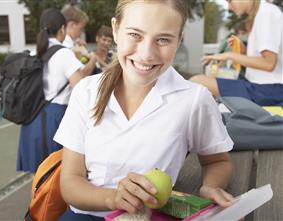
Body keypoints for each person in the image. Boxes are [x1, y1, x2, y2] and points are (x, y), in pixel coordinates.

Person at [54, 0, 234, 220]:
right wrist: (113, 198)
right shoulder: (86, 92)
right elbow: (70, 184)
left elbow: (218, 160)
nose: (147, 54)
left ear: (179, 40)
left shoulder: (194, 99)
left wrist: (210, 186)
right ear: (115, 29)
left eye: (163, 39)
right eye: (135, 35)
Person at [17, 8, 90, 173]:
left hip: (32, 120)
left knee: (38, 178)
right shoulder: (64, 54)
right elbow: (81, 89)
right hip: (55, 120)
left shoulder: (34, 53)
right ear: (62, 29)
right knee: (56, 175)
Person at [190, 0, 283, 106]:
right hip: (262, 87)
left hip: (271, 91)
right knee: (201, 82)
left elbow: (268, 63)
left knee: (197, 81)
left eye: (230, 1)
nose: (229, 7)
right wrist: (243, 51)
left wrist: (229, 55)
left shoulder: (267, 14)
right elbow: (263, 61)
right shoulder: (262, 14)